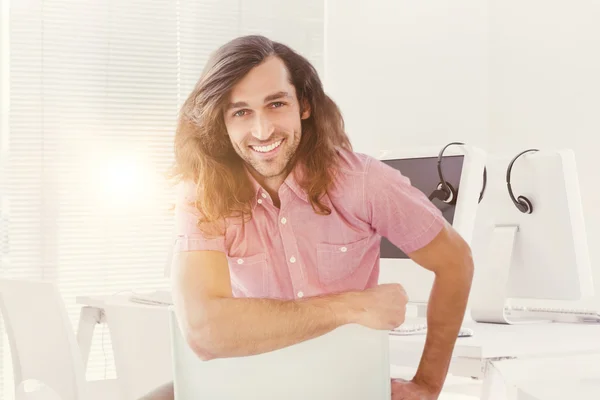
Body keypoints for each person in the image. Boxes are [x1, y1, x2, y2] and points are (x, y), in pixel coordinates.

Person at [141, 35, 474, 400]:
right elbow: (204, 332)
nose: (263, 130)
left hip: (342, 386)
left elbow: (455, 261)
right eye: (241, 112)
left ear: (304, 104)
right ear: (221, 121)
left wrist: (427, 385)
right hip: (243, 383)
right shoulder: (203, 195)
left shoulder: (362, 183)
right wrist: (351, 305)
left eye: (276, 104)